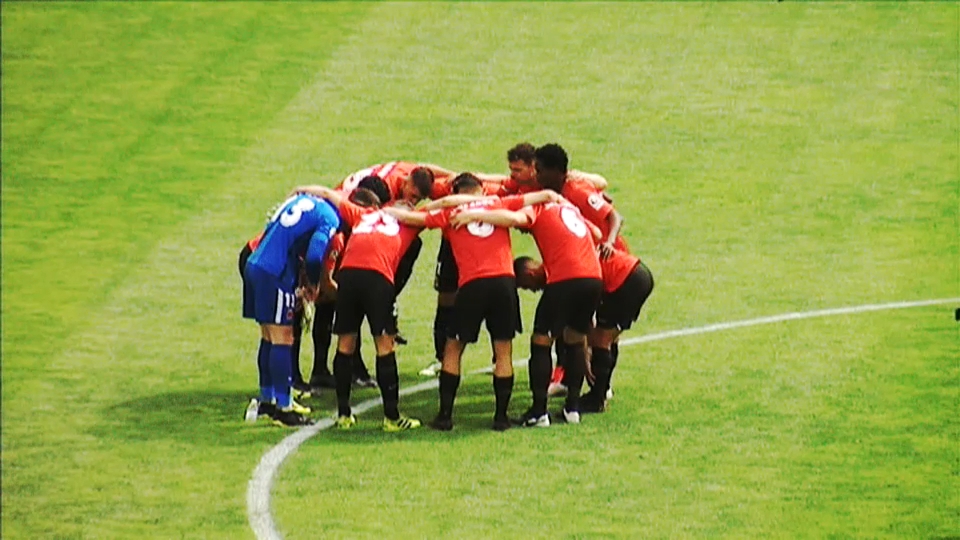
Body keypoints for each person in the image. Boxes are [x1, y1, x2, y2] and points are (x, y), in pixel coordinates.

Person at [385, 174, 557, 431]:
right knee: (503, 350)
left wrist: (386, 211)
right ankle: (501, 418)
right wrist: (552, 196)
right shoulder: (497, 203)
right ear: (481, 190)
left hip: (473, 284)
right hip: (504, 282)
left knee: (453, 348)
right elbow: (532, 198)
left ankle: (445, 416)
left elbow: (415, 219)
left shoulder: (451, 212)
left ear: (456, 192)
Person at [448, 189, 603, 426]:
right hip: (594, 277)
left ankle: (539, 412)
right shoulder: (569, 208)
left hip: (565, 277)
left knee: (541, 341)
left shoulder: (538, 207)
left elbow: (513, 219)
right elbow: (597, 233)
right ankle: (572, 408)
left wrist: (474, 215)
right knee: (575, 338)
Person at [303, 185, 423, 432]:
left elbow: (330, 194)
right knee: (384, 345)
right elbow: (440, 211)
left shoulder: (365, 215)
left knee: (345, 344)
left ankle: (343, 414)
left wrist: (300, 189)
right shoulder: (409, 222)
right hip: (378, 277)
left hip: (348, 275)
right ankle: (392, 418)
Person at [241, 193, 341, 427]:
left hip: (255, 264)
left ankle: (268, 400)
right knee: (283, 339)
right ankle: (284, 408)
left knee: (268, 336)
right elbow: (315, 256)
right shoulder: (330, 217)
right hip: (275, 273)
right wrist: (313, 284)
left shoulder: (298, 202)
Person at [514, 247, 654, 413]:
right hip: (634, 273)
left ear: (530, 274)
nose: (531, 290)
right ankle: (601, 389)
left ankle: (597, 398)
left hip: (625, 278)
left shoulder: (558, 277)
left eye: (525, 286)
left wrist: (583, 354)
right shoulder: (557, 266)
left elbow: (581, 315)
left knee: (601, 339)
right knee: (606, 336)